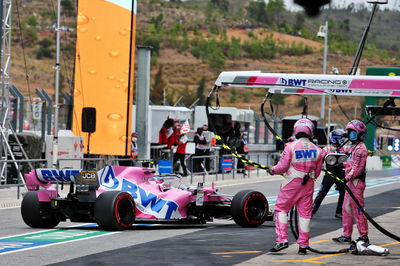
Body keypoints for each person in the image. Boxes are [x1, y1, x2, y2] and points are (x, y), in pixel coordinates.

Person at [267, 118, 324, 255]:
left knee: (281, 208)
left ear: (296, 130)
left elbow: (282, 167)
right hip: (308, 183)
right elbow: (317, 172)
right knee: (305, 214)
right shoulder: (318, 150)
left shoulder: (290, 146)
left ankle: (282, 240)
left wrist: (272, 170)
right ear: (311, 132)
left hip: (291, 182)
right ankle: (303, 246)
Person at [333, 120, 369, 244]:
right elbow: (347, 163)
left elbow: (357, 168)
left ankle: (363, 236)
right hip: (349, 182)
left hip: (356, 183)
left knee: (358, 210)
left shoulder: (361, 149)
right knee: (346, 208)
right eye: (349, 132)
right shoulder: (352, 147)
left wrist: (347, 177)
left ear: (360, 134)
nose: (350, 135)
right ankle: (346, 235)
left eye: (353, 132)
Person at [312, 129, 346, 218]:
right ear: (335, 138)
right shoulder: (326, 149)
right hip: (329, 174)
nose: (343, 140)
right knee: (321, 193)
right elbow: (319, 160)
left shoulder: (343, 148)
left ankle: (339, 212)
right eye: (341, 138)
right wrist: (319, 169)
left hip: (341, 174)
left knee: (344, 193)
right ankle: (311, 211)